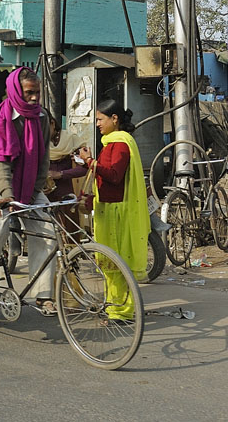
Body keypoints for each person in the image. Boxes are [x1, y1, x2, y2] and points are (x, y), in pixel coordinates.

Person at [0, 68, 54, 314]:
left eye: (37, 92)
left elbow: (43, 158)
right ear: (16, 91)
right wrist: (9, 195)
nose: (34, 98)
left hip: (30, 185)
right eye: (29, 92)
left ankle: (43, 294)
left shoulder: (42, 117)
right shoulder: (1, 119)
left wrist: (34, 191)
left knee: (48, 232)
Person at [77, 99, 150, 322]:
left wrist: (90, 161)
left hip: (117, 213)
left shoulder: (120, 143)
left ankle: (121, 311)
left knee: (117, 263)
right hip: (109, 208)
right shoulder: (112, 142)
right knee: (112, 264)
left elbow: (115, 175)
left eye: (100, 119)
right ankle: (115, 307)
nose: (97, 124)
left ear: (114, 119)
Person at [46, 116, 89, 230]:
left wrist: (60, 174)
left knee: (70, 232)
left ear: (52, 123)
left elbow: (84, 168)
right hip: (43, 198)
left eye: (43, 126)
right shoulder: (34, 142)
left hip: (66, 198)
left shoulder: (70, 140)